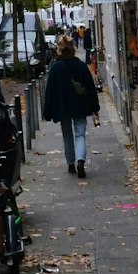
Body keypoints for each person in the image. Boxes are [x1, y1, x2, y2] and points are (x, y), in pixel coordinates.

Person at [41, 36, 100, 179]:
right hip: (80, 105)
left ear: (59, 49)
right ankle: (81, 160)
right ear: (73, 48)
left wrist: (47, 112)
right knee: (80, 134)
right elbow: (90, 88)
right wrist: (95, 107)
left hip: (63, 107)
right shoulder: (80, 66)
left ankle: (71, 164)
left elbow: (49, 92)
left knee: (67, 135)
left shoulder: (55, 68)